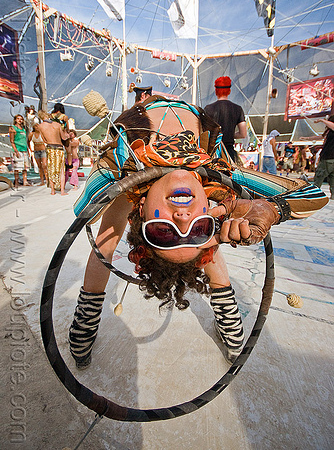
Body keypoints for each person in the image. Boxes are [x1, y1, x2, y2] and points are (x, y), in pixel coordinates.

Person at [69, 93, 328, 370]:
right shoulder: (217, 172)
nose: (182, 219)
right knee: (206, 246)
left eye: (164, 231)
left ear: (141, 211)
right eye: (196, 227)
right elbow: (313, 196)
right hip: (203, 183)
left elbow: (82, 213)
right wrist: (270, 210)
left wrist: (117, 175)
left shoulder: (121, 166)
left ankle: (85, 324)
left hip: (134, 180)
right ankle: (230, 324)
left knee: (107, 237)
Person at [204, 76, 246, 161]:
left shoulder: (208, 109)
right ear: (229, 91)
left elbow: (203, 132)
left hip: (212, 152)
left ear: (216, 91)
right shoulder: (238, 109)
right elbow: (243, 134)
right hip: (229, 152)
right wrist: (229, 134)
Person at [38, 110, 70, 195]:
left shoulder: (40, 126)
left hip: (50, 148)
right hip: (59, 148)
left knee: (51, 169)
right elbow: (63, 137)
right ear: (49, 115)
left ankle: (53, 191)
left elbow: (44, 140)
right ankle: (62, 191)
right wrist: (67, 134)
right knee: (61, 170)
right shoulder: (57, 125)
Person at [313, 116, 334, 200]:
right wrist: (307, 138)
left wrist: (322, 120)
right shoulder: (330, 132)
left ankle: (313, 194)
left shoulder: (332, 129)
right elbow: (321, 137)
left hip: (328, 157)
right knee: (332, 178)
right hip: (330, 158)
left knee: (319, 176)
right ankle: (333, 196)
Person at [9, 114, 31, 187]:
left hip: (24, 149)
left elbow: (25, 140)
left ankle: (25, 181)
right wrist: (16, 151)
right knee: (17, 167)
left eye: (21, 119)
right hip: (18, 149)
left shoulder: (23, 129)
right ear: (15, 120)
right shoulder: (13, 128)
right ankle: (16, 182)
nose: (19, 120)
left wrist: (28, 150)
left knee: (25, 167)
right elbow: (12, 141)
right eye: (18, 119)